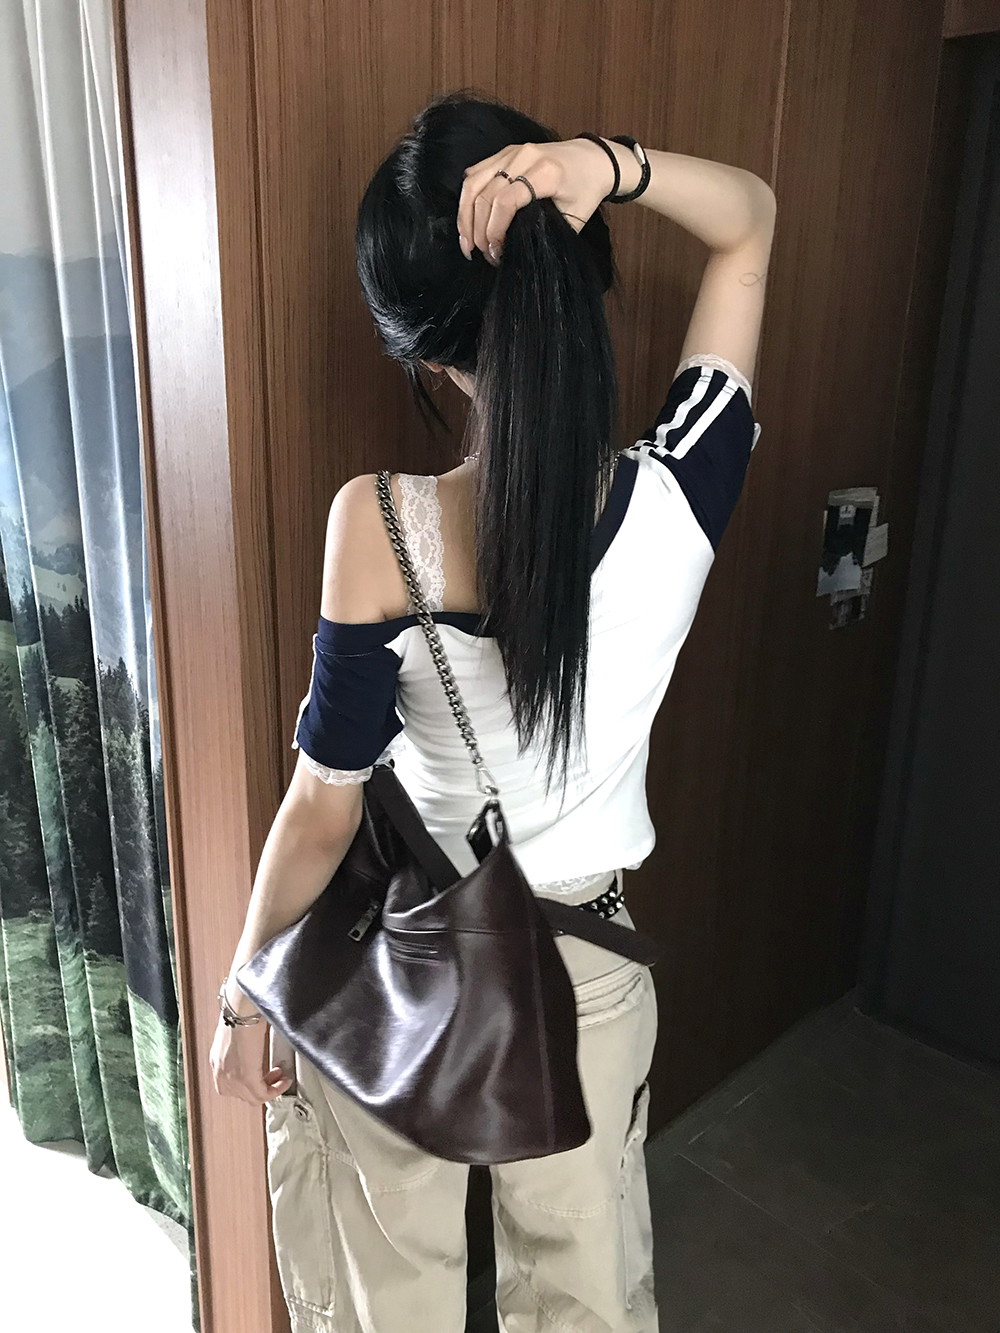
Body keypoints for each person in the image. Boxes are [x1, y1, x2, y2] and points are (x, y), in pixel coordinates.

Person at [209, 89, 775, 1333]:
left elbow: (322, 804)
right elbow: (749, 220)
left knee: (386, 1300)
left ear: (423, 353)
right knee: (582, 1300)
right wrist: (606, 166)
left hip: (401, 956)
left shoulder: (379, 525)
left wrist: (247, 993)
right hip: (585, 970)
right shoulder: (681, 492)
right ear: (583, 283)